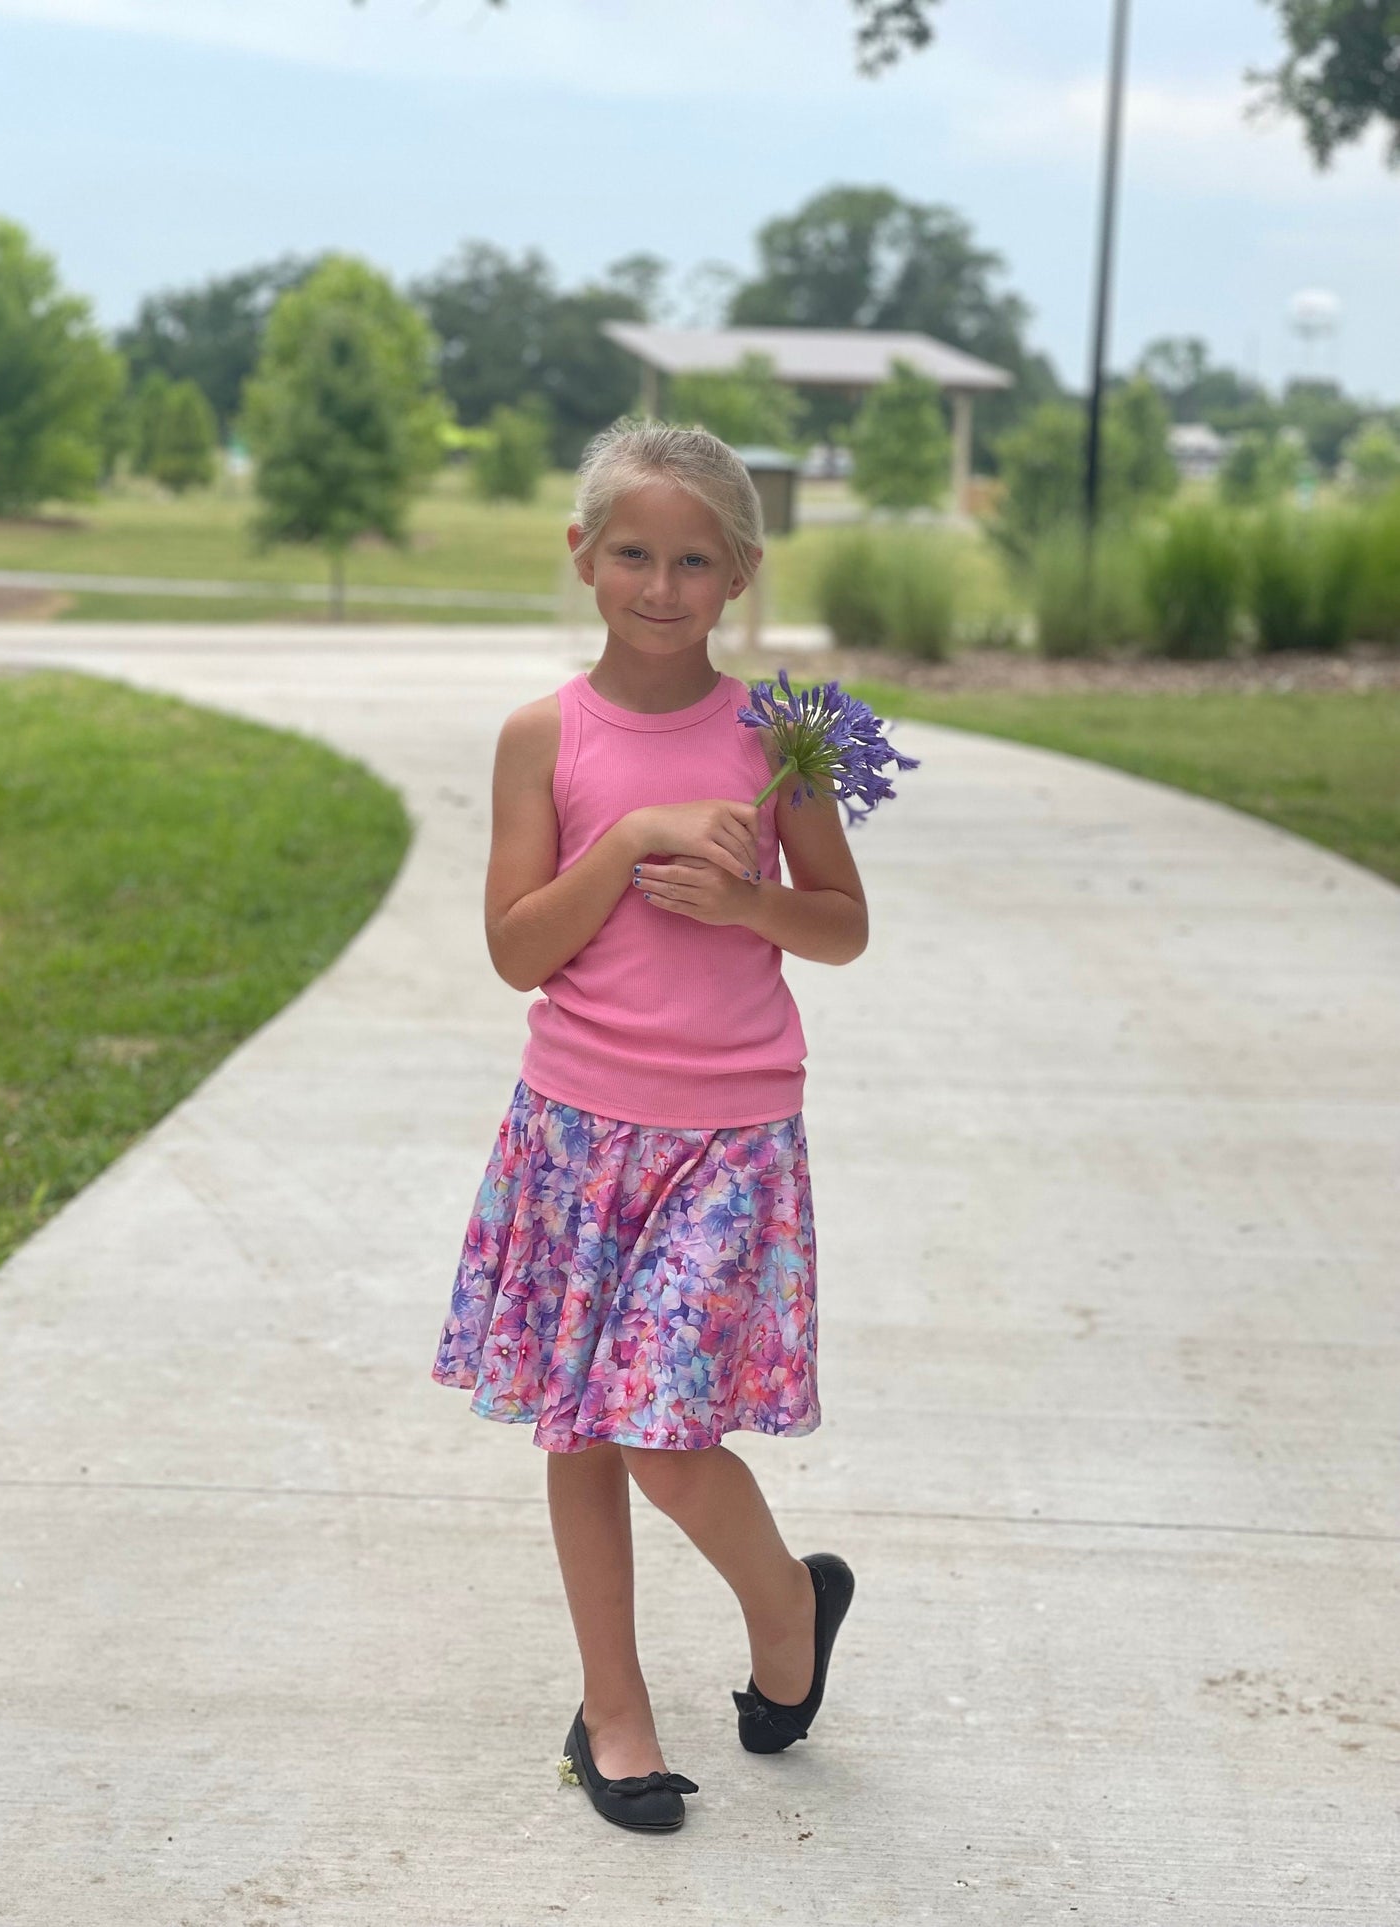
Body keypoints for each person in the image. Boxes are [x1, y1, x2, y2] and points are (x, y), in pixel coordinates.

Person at [430, 418, 864, 1834]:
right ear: (583, 555)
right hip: (572, 1132)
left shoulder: (779, 736)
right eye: (633, 553)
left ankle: (785, 1607)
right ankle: (611, 1713)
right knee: (581, 1430)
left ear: (738, 574)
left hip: (727, 1138)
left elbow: (843, 929)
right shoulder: (542, 737)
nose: (660, 585)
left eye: (692, 561)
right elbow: (515, 951)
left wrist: (750, 905)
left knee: (667, 1434)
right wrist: (620, 846)